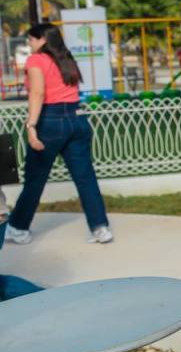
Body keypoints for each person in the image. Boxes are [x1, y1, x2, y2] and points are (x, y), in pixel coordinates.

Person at [3, 23, 112, 245]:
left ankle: (18, 228)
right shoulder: (65, 58)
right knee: (85, 178)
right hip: (77, 118)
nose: (29, 44)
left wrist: (31, 126)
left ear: (42, 39)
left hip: (50, 121)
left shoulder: (36, 60)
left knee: (35, 178)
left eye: (31, 40)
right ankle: (100, 228)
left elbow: (38, 93)